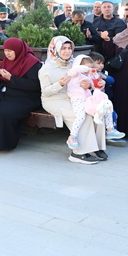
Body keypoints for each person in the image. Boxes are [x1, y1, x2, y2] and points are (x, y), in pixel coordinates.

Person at [39, 36, 107, 164]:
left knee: (97, 111)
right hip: (55, 99)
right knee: (81, 115)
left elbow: (90, 77)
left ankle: (97, 147)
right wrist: (59, 84)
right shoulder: (47, 68)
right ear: (55, 49)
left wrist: (90, 85)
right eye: (63, 48)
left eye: (69, 48)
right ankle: (78, 152)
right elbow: (45, 92)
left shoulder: (75, 63)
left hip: (76, 96)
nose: (67, 51)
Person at [0, 38, 43, 152]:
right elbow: (3, 80)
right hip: (7, 91)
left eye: (10, 50)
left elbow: (35, 85)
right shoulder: (7, 61)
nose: (7, 53)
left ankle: (2, 144)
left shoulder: (32, 62)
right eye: (5, 50)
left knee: (3, 113)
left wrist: (11, 78)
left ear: (18, 49)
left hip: (25, 96)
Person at [64, 55, 124, 150]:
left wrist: (101, 83)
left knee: (106, 105)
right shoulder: (74, 74)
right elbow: (75, 69)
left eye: (91, 67)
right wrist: (88, 69)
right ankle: (72, 137)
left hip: (88, 99)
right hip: (77, 99)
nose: (89, 69)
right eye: (87, 67)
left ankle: (110, 130)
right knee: (81, 116)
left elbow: (95, 87)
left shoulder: (88, 76)